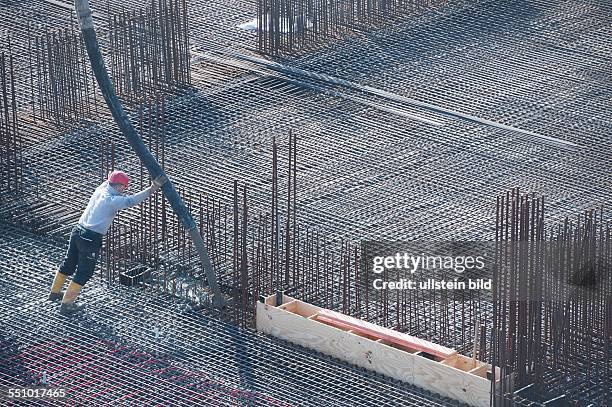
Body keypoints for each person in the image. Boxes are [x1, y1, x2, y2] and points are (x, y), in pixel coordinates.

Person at [48, 170, 166, 315]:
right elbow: (131, 201)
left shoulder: (102, 188)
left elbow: (112, 179)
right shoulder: (111, 200)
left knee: (69, 263)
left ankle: (54, 293)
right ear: (118, 186)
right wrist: (152, 188)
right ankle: (67, 305)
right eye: (124, 188)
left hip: (77, 231)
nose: (124, 191)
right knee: (84, 272)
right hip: (90, 238)